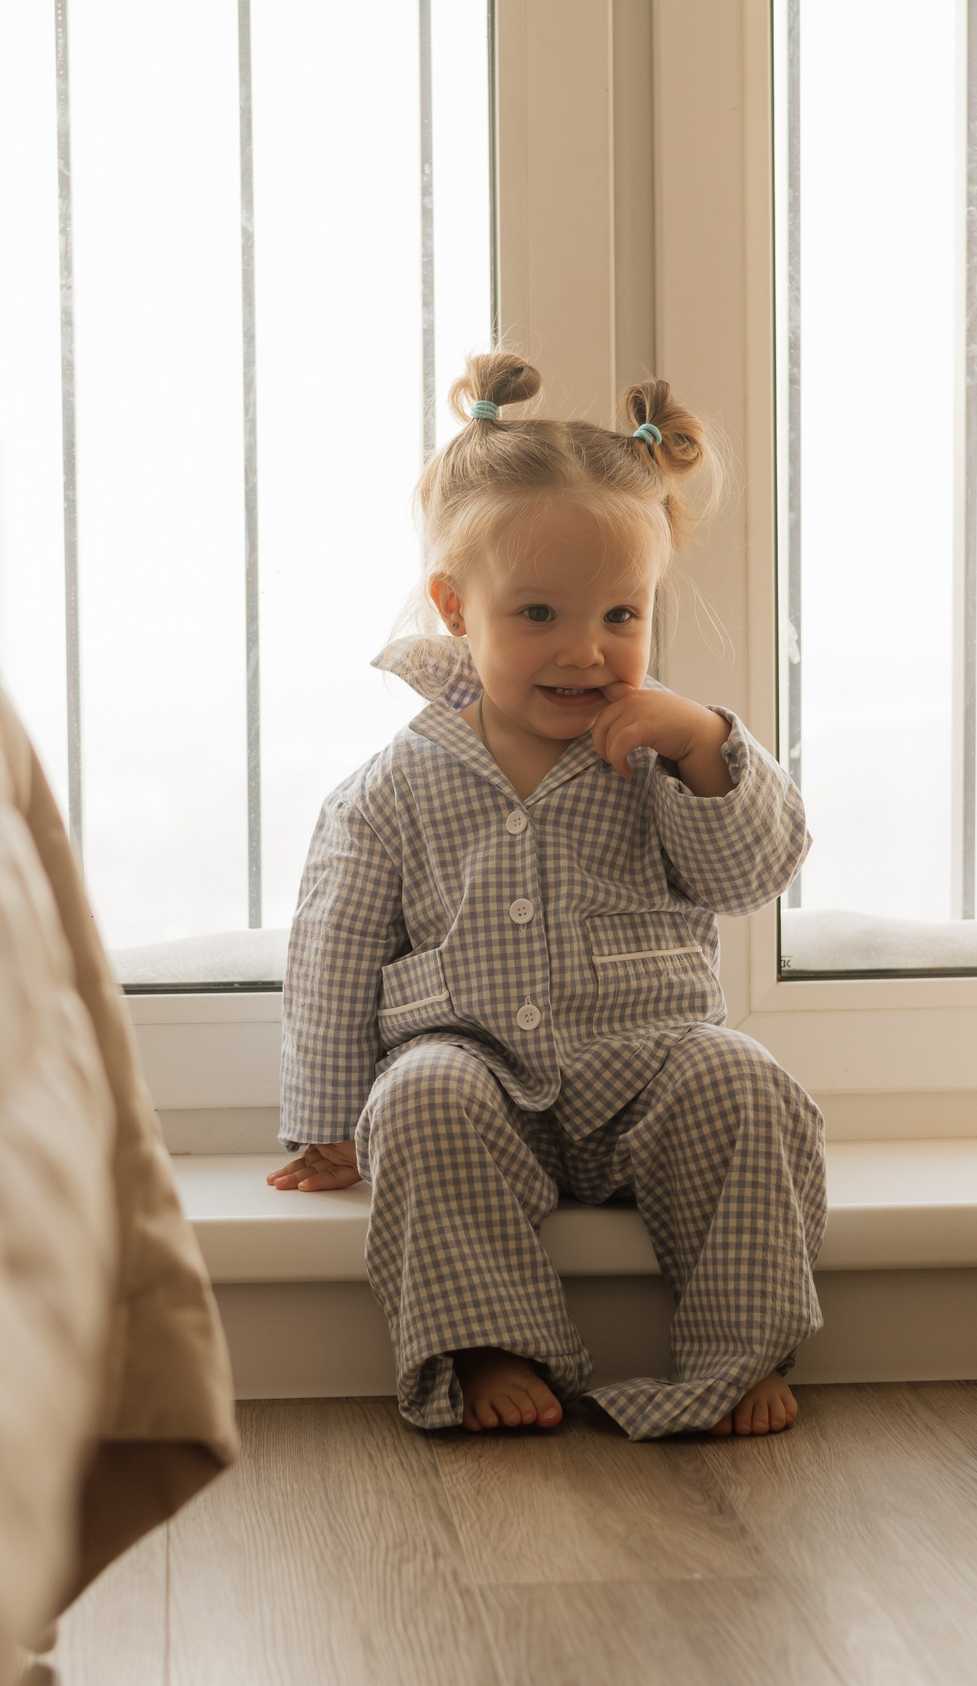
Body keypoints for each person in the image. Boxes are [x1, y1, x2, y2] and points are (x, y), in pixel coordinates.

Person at [266, 351, 825, 1440]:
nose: (586, 650)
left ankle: (741, 1350)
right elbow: (333, 953)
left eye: (621, 614)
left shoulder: (664, 754)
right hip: (481, 1085)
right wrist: (327, 1124)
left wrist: (706, 746)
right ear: (454, 607)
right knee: (417, 1096)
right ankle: (490, 1341)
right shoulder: (391, 789)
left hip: (646, 1071)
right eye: (537, 614)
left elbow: (750, 873)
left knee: (745, 1082)